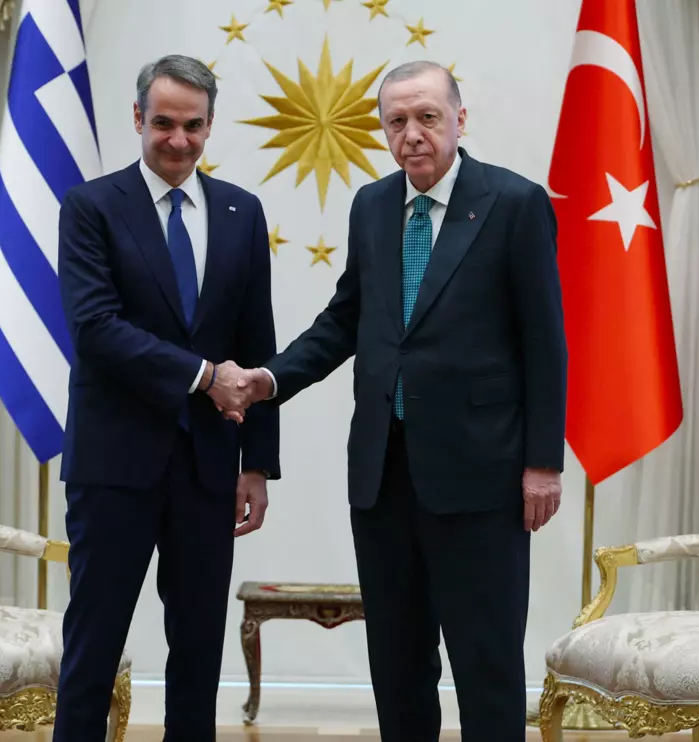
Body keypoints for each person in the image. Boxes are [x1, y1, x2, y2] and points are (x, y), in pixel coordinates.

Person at [229, 60, 567, 740]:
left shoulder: (515, 203)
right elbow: (343, 321)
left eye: (426, 117)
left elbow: (546, 343)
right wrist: (268, 380)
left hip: (482, 476)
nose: (411, 133)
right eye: (395, 121)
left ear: (459, 120)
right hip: (383, 477)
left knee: (485, 662)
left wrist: (542, 463)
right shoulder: (372, 206)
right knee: (398, 661)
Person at [53, 54, 280, 741]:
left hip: (209, 467)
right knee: (93, 644)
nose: (177, 140)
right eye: (162, 123)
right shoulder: (91, 206)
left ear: (210, 125)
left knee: (199, 650)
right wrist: (204, 376)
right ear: (137, 119)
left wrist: (256, 464)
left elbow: (256, 341)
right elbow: (95, 329)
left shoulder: (242, 211)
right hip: (114, 464)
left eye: (192, 125)